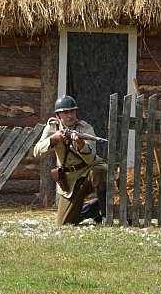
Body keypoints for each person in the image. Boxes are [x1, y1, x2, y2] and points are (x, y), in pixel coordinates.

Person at [33, 95, 108, 225]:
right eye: (66, 112)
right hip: (70, 180)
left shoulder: (85, 128)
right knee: (64, 223)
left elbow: (91, 158)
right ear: (58, 116)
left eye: (72, 111)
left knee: (99, 171)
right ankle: (91, 210)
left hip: (88, 172)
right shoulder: (52, 128)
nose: (70, 115)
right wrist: (53, 139)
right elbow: (36, 151)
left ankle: (106, 215)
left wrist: (80, 144)